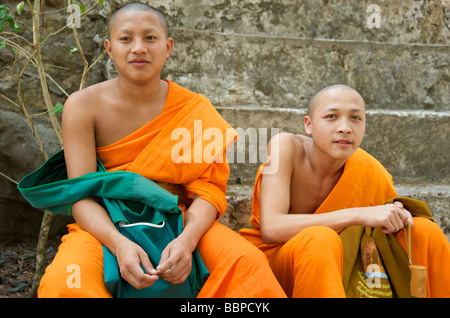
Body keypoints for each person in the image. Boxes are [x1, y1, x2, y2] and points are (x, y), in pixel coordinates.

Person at [37, 2, 286, 298]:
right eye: (126, 38)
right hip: (106, 223)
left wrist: (187, 241)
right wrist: (118, 244)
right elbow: (80, 195)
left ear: (168, 47)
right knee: (65, 283)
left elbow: (209, 192)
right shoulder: (82, 106)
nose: (139, 48)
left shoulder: (193, 110)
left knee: (248, 264)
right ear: (109, 47)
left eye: (150, 38)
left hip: (180, 220)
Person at [239, 84, 450, 298]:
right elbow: (272, 228)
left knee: (424, 231)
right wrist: (359, 214)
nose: (345, 128)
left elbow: (385, 224)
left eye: (355, 118)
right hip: (278, 262)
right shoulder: (285, 147)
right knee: (319, 238)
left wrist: (398, 215)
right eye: (331, 116)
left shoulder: (370, 169)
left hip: (341, 263)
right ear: (308, 125)